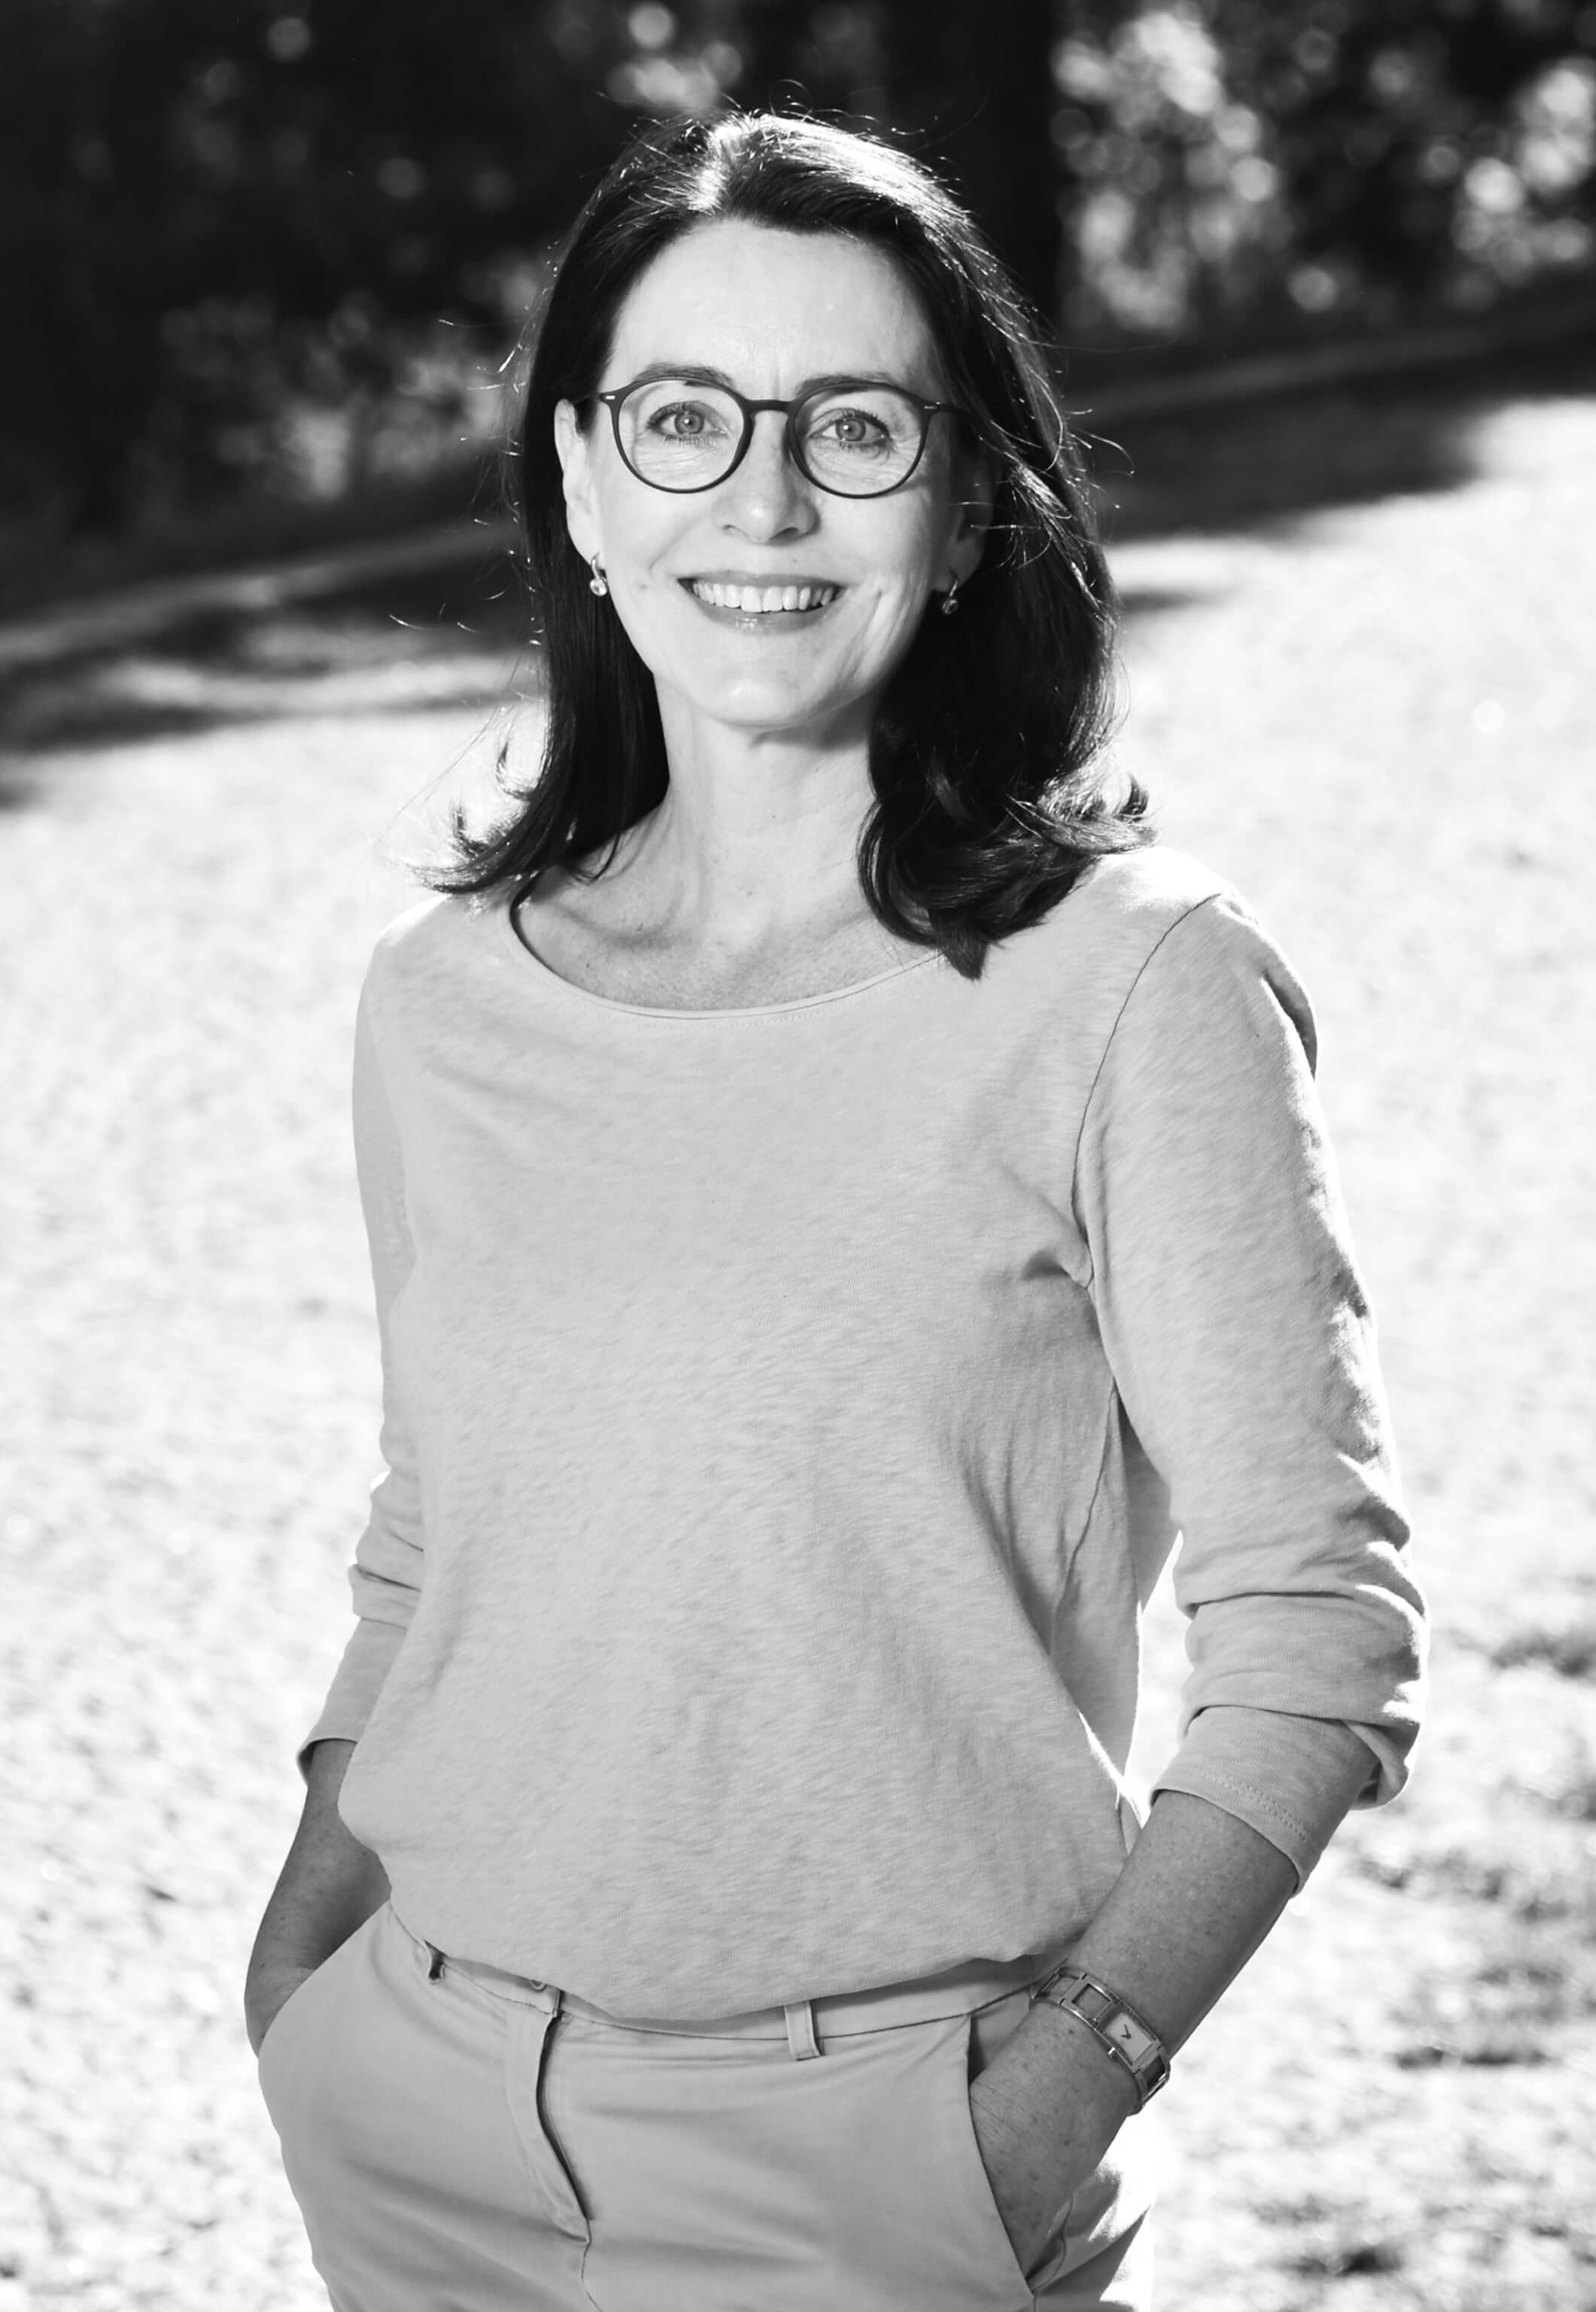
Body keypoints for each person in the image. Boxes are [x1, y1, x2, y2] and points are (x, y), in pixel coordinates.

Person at [245, 111, 1426, 2312]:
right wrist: (302, 1967)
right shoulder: (442, 999)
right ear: (581, 481)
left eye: (854, 428)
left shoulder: (1130, 986)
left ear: (968, 504)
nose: (763, 503)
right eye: (683, 418)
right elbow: (438, 1532)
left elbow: (1317, 1635)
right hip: (415, 2128)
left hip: (875, 2175)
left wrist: (1056, 2093)